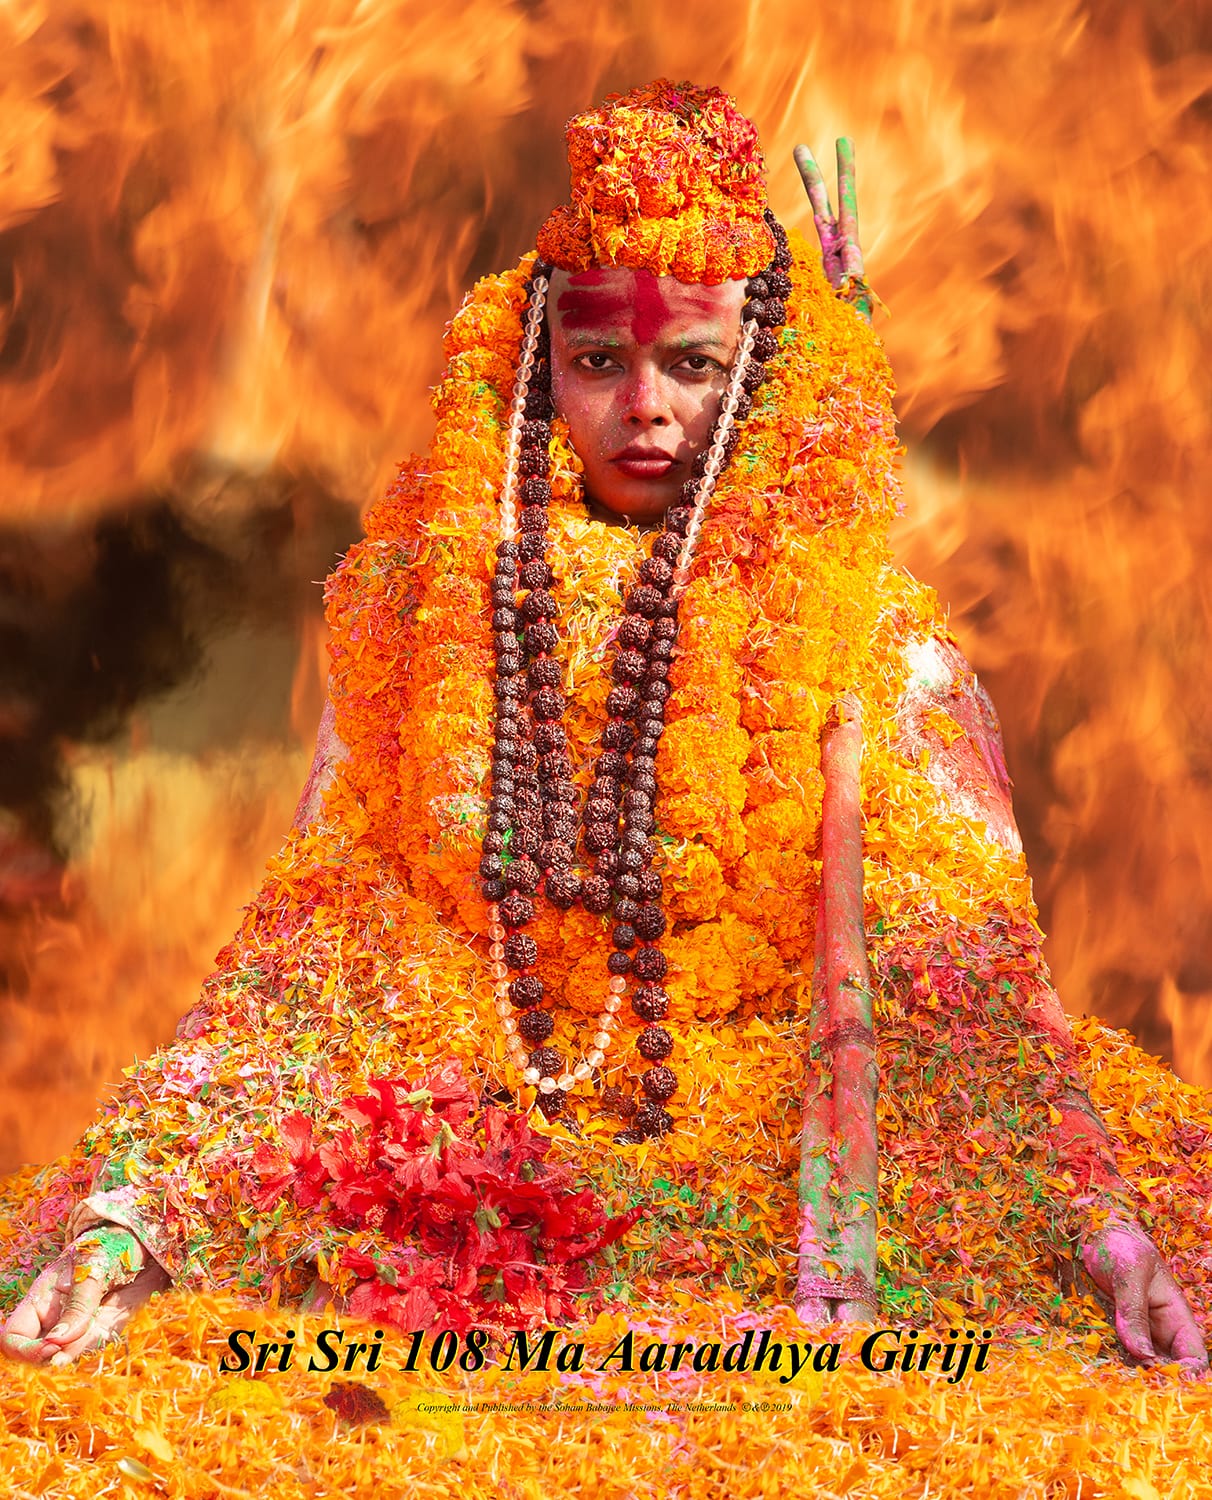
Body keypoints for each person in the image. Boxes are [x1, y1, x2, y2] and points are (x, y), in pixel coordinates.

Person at [1, 80, 1207, 1370]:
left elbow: (960, 983)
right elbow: (319, 953)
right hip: (461, 1167)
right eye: (598, 362)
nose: (645, 407)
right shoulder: (423, 626)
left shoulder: (876, 651)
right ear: (535, 374)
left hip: (785, 1182)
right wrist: (140, 1217)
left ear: (761, 376)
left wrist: (1092, 1217)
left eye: (693, 364)